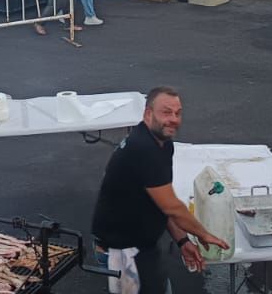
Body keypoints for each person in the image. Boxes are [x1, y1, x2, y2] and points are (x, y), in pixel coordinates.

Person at [91, 87, 231, 294]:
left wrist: (183, 240)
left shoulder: (162, 145)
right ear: (148, 114)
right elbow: (172, 207)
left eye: (178, 113)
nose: (173, 119)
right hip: (122, 252)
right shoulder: (143, 148)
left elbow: (161, 203)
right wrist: (203, 234)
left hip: (141, 246)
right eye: (166, 112)